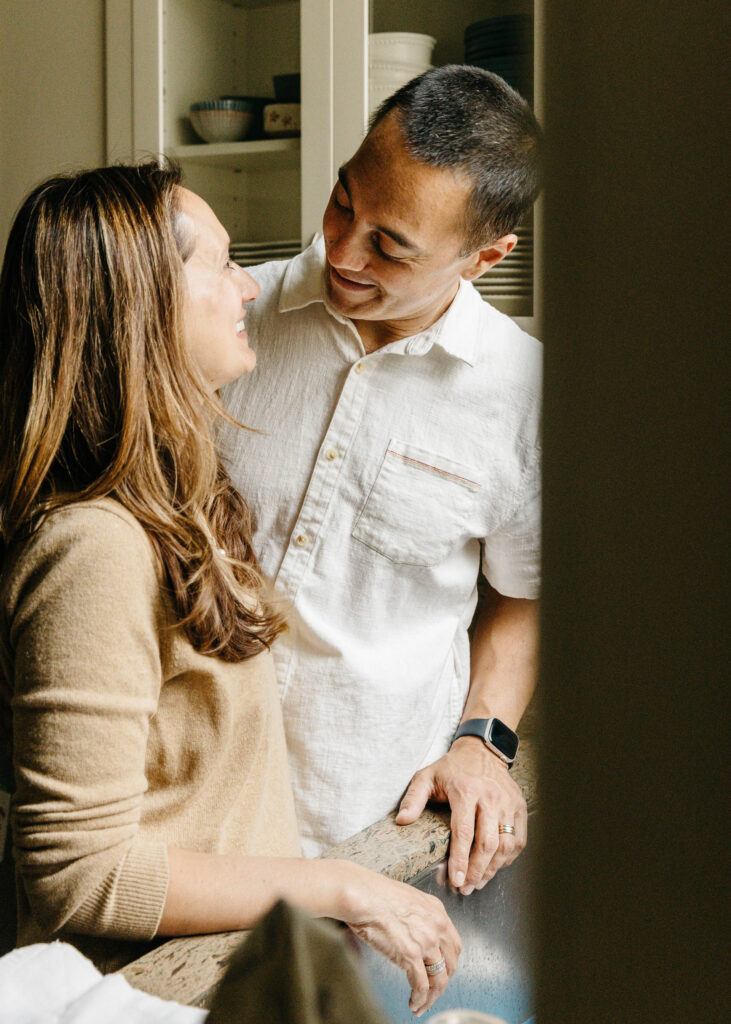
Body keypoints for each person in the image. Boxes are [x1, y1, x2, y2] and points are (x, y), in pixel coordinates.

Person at [0, 162, 460, 1018]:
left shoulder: (182, 502)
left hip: (212, 981)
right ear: (139, 304)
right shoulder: (94, 548)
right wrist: (342, 886)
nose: (248, 286)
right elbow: (79, 874)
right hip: (142, 998)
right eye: (217, 263)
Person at [218, 65, 543, 892]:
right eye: (342, 202)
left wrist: (482, 740)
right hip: (195, 808)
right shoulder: (226, 319)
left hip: (369, 820)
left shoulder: (525, 393)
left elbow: (524, 596)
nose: (340, 249)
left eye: (389, 246)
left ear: (484, 258)